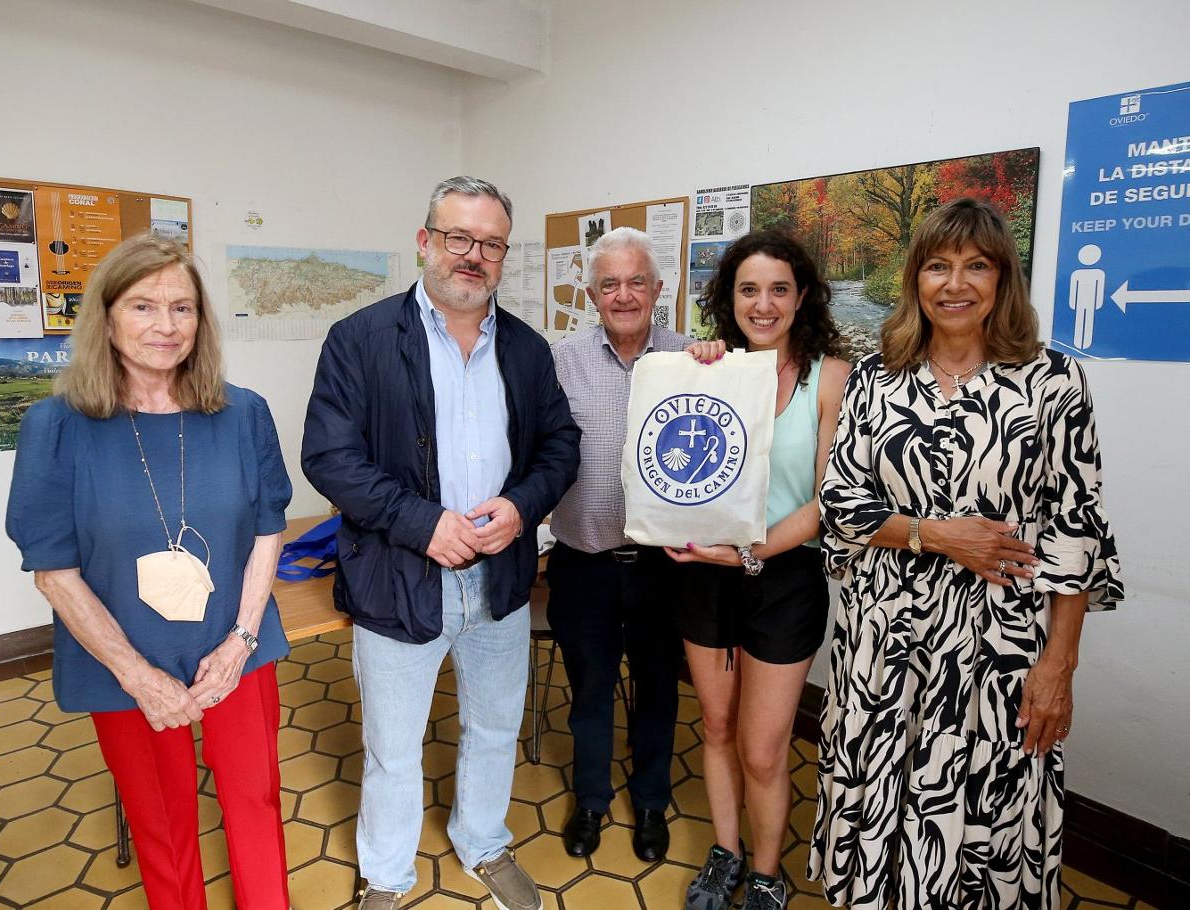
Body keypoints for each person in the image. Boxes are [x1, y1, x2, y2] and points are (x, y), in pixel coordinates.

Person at [808, 198, 1124, 910]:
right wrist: (935, 533)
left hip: (998, 650)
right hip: (880, 645)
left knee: (986, 807)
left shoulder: (1052, 384)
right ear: (916, 279)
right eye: (938, 266)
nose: (956, 284)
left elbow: (1079, 533)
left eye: (976, 266)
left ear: (1002, 279)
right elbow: (842, 506)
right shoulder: (877, 379)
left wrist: (1059, 665)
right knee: (878, 792)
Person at [301, 176, 580, 910]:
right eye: (459, 238)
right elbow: (329, 457)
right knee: (393, 749)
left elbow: (561, 445)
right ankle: (386, 877)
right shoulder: (358, 340)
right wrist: (423, 524)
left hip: (500, 579)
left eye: (490, 244)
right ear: (425, 242)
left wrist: (522, 507)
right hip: (399, 577)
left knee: (494, 725)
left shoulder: (524, 348)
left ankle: (483, 842)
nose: (473, 256)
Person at [6, 234, 294, 910]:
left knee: (255, 800)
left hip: (238, 649)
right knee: (162, 826)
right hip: (122, 660)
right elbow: (53, 571)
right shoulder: (55, 427)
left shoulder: (242, 412)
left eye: (183, 308)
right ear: (106, 317)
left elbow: (267, 529)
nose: (166, 326)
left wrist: (241, 641)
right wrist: (138, 676)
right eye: (143, 306)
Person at [666, 229, 850, 910]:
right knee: (715, 728)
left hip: (784, 579)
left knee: (765, 750)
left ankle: (767, 872)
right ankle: (727, 853)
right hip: (704, 573)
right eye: (748, 289)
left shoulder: (831, 377)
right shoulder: (709, 367)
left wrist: (749, 551)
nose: (763, 304)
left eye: (778, 289)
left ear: (802, 297)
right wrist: (695, 368)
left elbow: (829, 502)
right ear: (729, 298)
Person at [547, 227, 690, 861]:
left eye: (637, 281)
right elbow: (538, 452)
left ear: (659, 289)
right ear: (592, 292)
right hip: (584, 562)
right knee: (590, 691)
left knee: (659, 688)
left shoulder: (696, 360)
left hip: (668, 567)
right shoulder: (560, 361)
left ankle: (652, 801)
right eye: (610, 283)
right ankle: (591, 800)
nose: (624, 294)